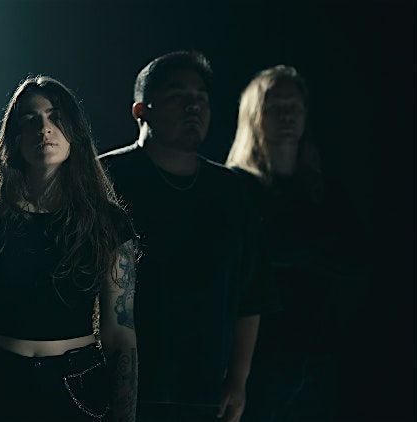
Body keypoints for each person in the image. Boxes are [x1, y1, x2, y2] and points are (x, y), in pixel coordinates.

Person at [0, 76, 139, 422]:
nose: (44, 128)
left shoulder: (108, 222)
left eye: (56, 117)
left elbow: (120, 334)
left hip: (77, 389)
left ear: (75, 131)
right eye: (30, 119)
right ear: (14, 136)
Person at [99, 51, 278, 422]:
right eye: (177, 95)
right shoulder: (106, 179)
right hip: (118, 388)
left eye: (201, 97)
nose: (193, 106)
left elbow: (251, 294)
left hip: (203, 392)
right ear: (141, 111)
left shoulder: (231, 191)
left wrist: (238, 379)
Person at [226, 65, 359, 421]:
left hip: (318, 356)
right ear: (255, 116)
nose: (287, 116)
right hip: (259, 359)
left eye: (294, 106)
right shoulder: (236, 188)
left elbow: (352, 261)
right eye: (275, 107)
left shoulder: (324, 192)